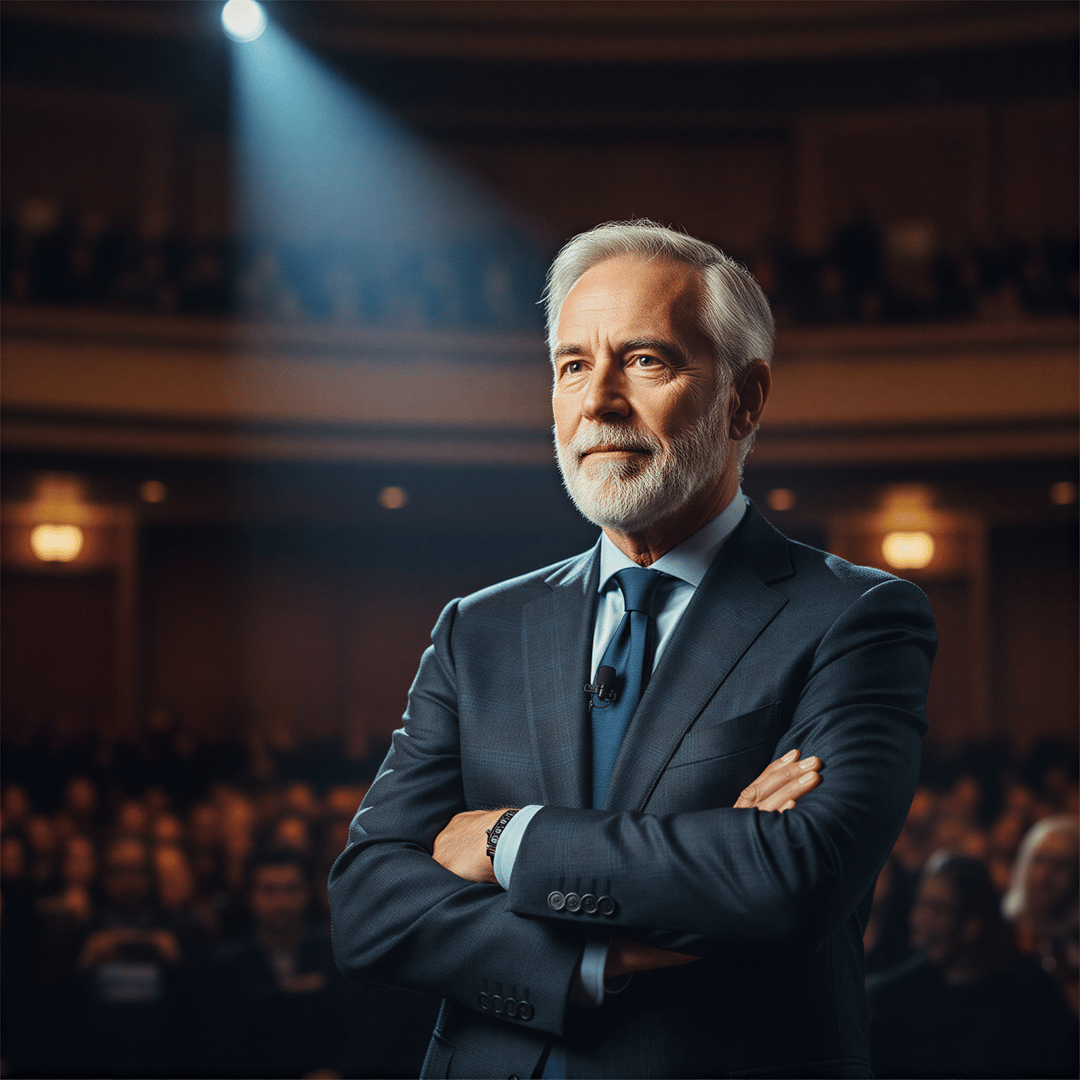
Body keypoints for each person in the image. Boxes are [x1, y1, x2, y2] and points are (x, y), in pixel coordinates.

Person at [329, 220, 938, 1079]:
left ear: (746, 398)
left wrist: (508, 840)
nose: (598, 400)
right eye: (573, 365)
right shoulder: (481, 628)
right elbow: (368, 904)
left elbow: (790, 876)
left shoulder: (856, 618)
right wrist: (587, 962)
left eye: (645, 360)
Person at [868, 850, 1078, 1078]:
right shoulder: (897, 997)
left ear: (973, 924)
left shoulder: (1030, 992)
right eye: (921, 905)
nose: (918, 920)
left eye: (937, 909)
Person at [1002, 815, 1080, 1014]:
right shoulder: (1000, 934)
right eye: (1038, 861)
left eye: (1060, 865)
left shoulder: (1072, 943)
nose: (1044, 876)